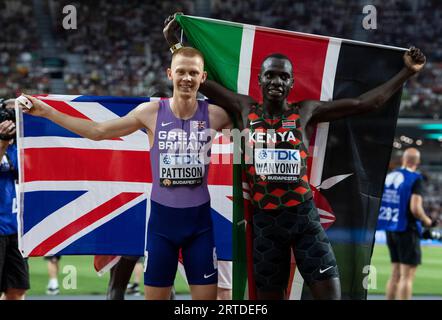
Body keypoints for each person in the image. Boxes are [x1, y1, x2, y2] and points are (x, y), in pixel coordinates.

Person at [163, 13, 426, 300]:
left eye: (283, 76)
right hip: (265, 224)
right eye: (271, 75)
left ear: (291, 83)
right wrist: (174, 44)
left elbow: (367, 103)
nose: (276, 81)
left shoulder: (305, 111)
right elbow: (200, 80)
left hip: (304, 220)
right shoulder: (243, 107)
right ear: (260, 79)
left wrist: (408, 72)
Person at [20, 46, 232, 300]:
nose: (186, 78)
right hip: (161, 229)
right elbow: (98, 131)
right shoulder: (150, 113)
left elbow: (252, 121)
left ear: (203, 77)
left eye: (193, 73)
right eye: (181, 71)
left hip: (200, 228)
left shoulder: (216, 115)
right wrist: (47, 112)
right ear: (169, 73)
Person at [377, 148, 437, 300]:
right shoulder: (415, 178)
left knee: (395, 274)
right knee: (407, 276)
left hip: (390, 229)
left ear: (403, 159)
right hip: (407, 229)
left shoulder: (390, 176)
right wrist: (428, 221)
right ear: (417, 162)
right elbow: (415, 208)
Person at [0, 98, 30, 300]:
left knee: (17, 289)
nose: (13, 118)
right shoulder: (5, 144)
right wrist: (2, 142)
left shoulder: (21, 146)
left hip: (15, 229)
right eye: (10, 113)